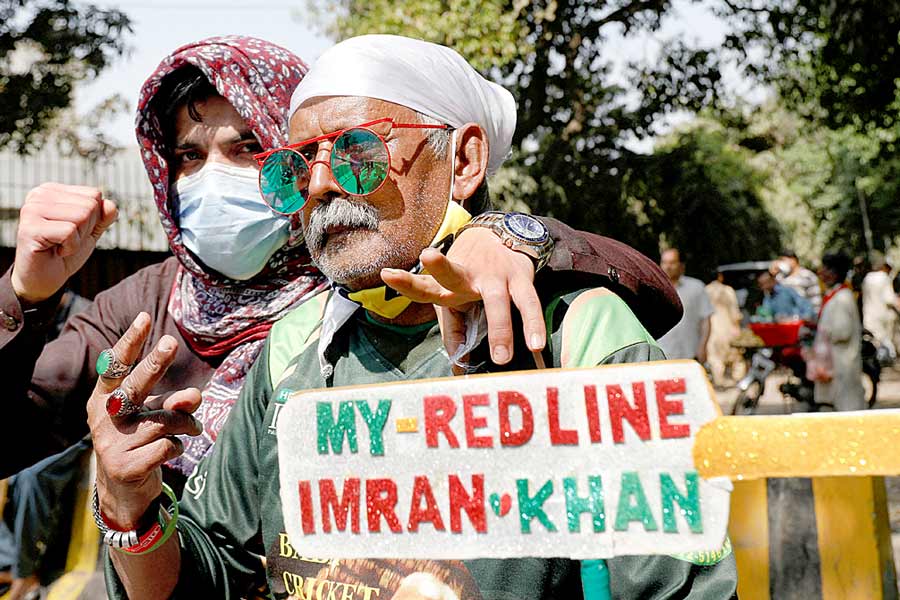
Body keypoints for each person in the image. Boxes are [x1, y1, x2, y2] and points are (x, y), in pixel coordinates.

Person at [90, 35, 736, 600]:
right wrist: (130, 507)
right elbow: (207, 577)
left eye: (356, 151)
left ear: (463, 161)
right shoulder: (297, 344)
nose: (319, 186)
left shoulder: (582, 335)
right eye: (297, 166)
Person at [0, 37, 682, 479]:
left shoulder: (382, 280)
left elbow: (643, 296)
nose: (212, 176)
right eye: (188, 156)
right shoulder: (143, 307)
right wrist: (23, 294)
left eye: (246, 150)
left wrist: (514, 237)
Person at [811, 251, 865, 411]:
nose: (821, 273)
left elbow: (842, 332)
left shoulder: (841, 298)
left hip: (843, 363)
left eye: (825, 269)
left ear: (834, 274)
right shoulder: (836, 296)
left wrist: (822, 330)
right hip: (837, 362)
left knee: (847, 408)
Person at [657, 248, 714, 363]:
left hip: (689, 354)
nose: (668, 267)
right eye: (664, 262)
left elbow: (705, 320)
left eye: (672, 263)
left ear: (681, 265)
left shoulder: (696, 287)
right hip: (661, 356)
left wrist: (703, 346)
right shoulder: (653, 289)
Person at [705, 270, 744, 386]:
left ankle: (719, 383)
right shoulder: (728, 290)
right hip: (728, 328)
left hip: (711, 330)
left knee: (715, 358)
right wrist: (737, 327)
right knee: (736, 358)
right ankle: (738, 382)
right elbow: (734, 312)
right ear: (720, 277)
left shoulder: (704, 291)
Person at [861, 252, 899, 359]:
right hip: (883, 315)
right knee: (884, 341)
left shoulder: (867, 278)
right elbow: (889, 299)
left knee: (874, 342)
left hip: (869, 316)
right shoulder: (884, 277)